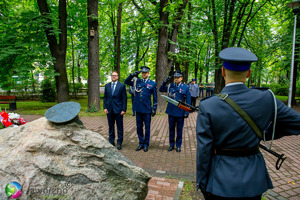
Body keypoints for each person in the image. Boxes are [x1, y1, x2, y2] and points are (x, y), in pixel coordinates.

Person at [196, 47, 300, 200]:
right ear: (249, 73)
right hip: (254, 178)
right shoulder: (267, 99)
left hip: (221, 179)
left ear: (223, 71)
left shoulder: (209, 105)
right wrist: (265, 133)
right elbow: (296, 123)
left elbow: (204, 150)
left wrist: (202, 182)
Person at [124, 66, 157, 152]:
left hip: (147, 109)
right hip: (138, 109)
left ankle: (146, 144)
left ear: (148, 73)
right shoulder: (137, 81)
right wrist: (132, 75)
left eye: (145, 73)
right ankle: (141, 143)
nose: (144, 74)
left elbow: (155, 97)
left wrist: (154, 108)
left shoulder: (152, 83)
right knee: (139, 127)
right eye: (142, 73)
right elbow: (126, 81)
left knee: (147, 128)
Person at [159, 70, 191, 152]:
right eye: (175, 77)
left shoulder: (185, 87)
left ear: (181, 78)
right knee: (171, 129)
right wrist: (165, 81)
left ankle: (178, 145)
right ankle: (171, 144)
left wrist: (187, 112)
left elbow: (188, 101)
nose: (176, 79)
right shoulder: (170, 86)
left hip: (180, 111)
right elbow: (161, 89)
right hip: (171, 111)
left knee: (179, 130)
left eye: (178, 77)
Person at [103, 71, 127, 150]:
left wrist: (124, 109)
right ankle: (111, 141)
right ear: (111, 76)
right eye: (112, 75)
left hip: (119, 110)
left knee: (119, 127)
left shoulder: (122, 86)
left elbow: (124, 98)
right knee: (110, 126)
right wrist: (105, 107)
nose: (114, 77)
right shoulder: (107, 86)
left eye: (115, 75)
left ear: (117, 77)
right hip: (109, 109)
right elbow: (105, 97)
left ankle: (119, 142)